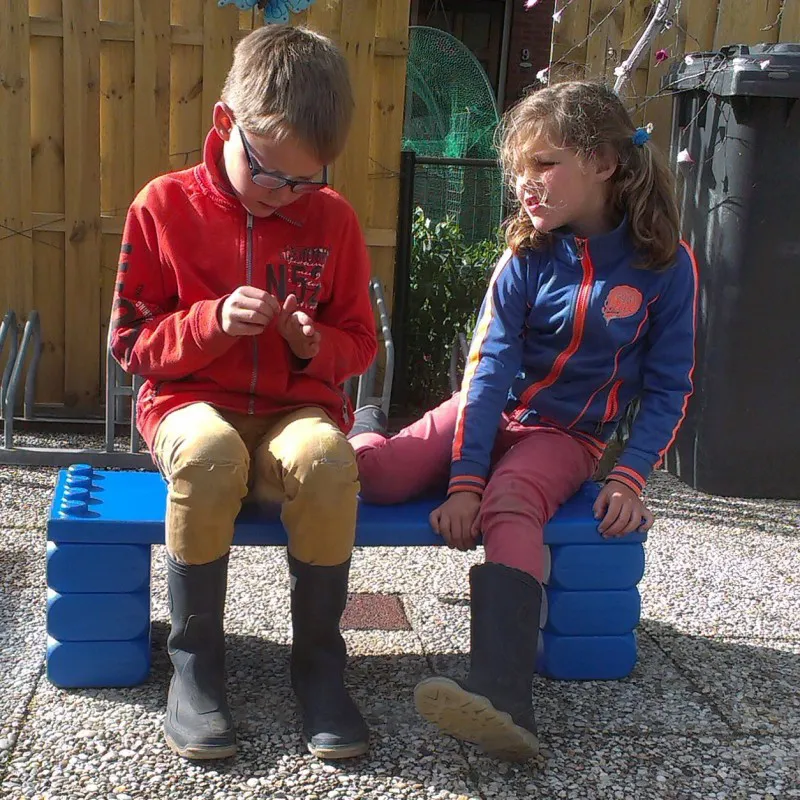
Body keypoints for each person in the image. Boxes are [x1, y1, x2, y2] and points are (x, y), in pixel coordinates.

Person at [349, 81, 698, 761]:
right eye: (519, 171)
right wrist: (464, 480)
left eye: (544, 165)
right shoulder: (528, 257)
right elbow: (485, 377)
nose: (525, 185)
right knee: (380, 474)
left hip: (566, 438)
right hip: (490, 415)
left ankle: (504, 699)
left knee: (513, 503)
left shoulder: (666, 265)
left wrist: (629, 477)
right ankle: (363, 423)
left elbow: (669, 386)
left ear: (603, 162)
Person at [109, 25, 377, 761]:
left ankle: (320, 666)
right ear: (225, 125)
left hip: (294, 413)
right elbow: (131, 341)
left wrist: (314, 344)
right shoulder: (162, 207)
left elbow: (361, 340)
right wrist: (209, 322)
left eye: (306, 182)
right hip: (189, 409)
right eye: (270, 176)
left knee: (327, 461)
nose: (285, 196)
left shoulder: (336, 221)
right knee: (209, 453)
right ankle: (196, 670)